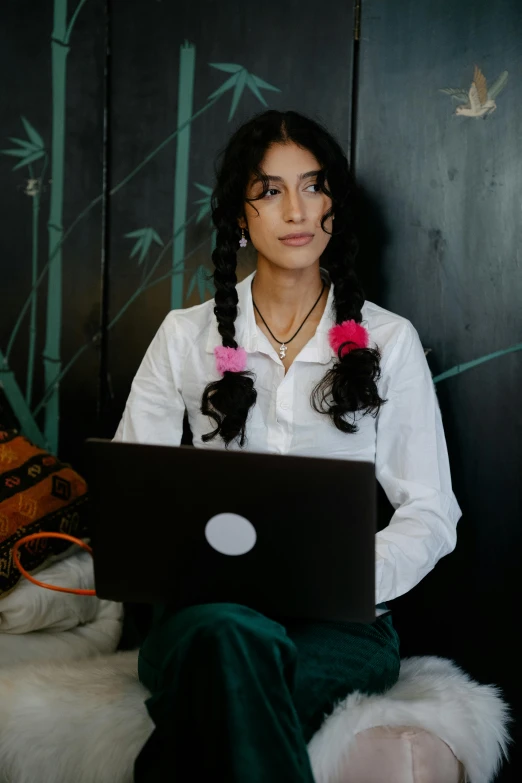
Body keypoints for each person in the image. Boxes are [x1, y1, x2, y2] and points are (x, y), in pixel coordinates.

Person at [113, 110, 462, 782]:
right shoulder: (185, 336)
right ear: (240, 216)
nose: (296, 209)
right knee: (228, 636)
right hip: (202, 621)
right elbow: (135, 503)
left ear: (336, 203)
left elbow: (431, 512)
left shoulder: (388, 341)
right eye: (270, 190)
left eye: (314, 185)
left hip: (341, 627)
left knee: (218, 693)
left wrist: (344, 577)